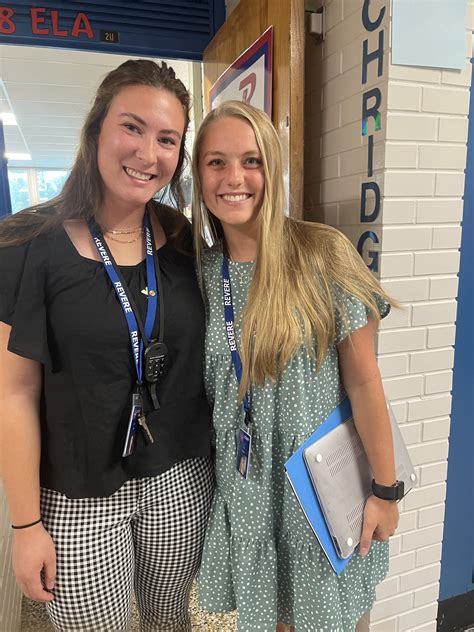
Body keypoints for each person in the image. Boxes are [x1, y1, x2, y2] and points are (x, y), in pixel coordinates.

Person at [0, 59, 213, 632]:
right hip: (78, 494)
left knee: (171, 621)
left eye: (167, 139)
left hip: (181, 477)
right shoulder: (25, 244)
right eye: (132, 127)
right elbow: (13, 394)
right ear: (96, 130)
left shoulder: (187, 242)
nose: (148, 153)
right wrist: (25, 526)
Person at [191, 100, 400, 632]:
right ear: (197, 174)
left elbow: (364, 380)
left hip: (322, 493)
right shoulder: (198, 274)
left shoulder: (321, 253)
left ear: (273, 169)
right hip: (249, 494)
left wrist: (385, 489)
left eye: (251, 161)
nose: (233, 178)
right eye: (216, 162)